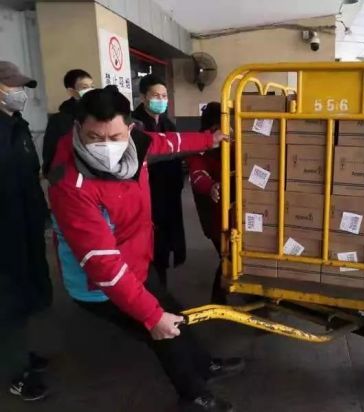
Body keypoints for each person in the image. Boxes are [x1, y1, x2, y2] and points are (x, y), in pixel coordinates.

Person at [47, 87, 241, 412]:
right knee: (163, 331)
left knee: (175, 315)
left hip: (135, 259)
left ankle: (204, 364)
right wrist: (151, 317)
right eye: (94, 137)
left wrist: (209, 140)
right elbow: (103, 266)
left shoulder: (136, 145)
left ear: (130, 129)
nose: (105, 147)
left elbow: (168, 142)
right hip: (100, 285)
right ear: (78, 128)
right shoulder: (70, 186)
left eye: (115, 137)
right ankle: (193, 395)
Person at [0, 61, 52, 401]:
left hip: (25, 224)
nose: (19, 92)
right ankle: (15, 373)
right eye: (12, 86)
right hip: (5, 230)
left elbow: (29, 178)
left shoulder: (17, 124)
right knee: (8, 302)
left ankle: (18, 355)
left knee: (24, 295)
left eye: (21, 86)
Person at [133, 75, 186, 287]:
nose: (161, 100)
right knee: (146, 244)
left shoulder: (168, 124)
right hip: (145, 193)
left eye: (164, 96)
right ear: (143, 97)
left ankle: (159, 288)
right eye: (156, 96)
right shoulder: (134, 125)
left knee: (163, 243)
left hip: (168, 193)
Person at [187, 102, 226, 304]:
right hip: (213, 213)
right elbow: (197, 175)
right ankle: (217, 301)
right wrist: (210, 186)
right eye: (219, 127)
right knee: (226, 257)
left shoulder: (232, 142)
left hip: (233, 211)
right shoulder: (200, 147)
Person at [42, 69, 94, 175]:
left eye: (92, 86)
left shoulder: (96, 114)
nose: (91, 90)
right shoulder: (58, 120)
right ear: (71, 91)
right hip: (71, 176)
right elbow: (50, 153)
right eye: (85, 87)